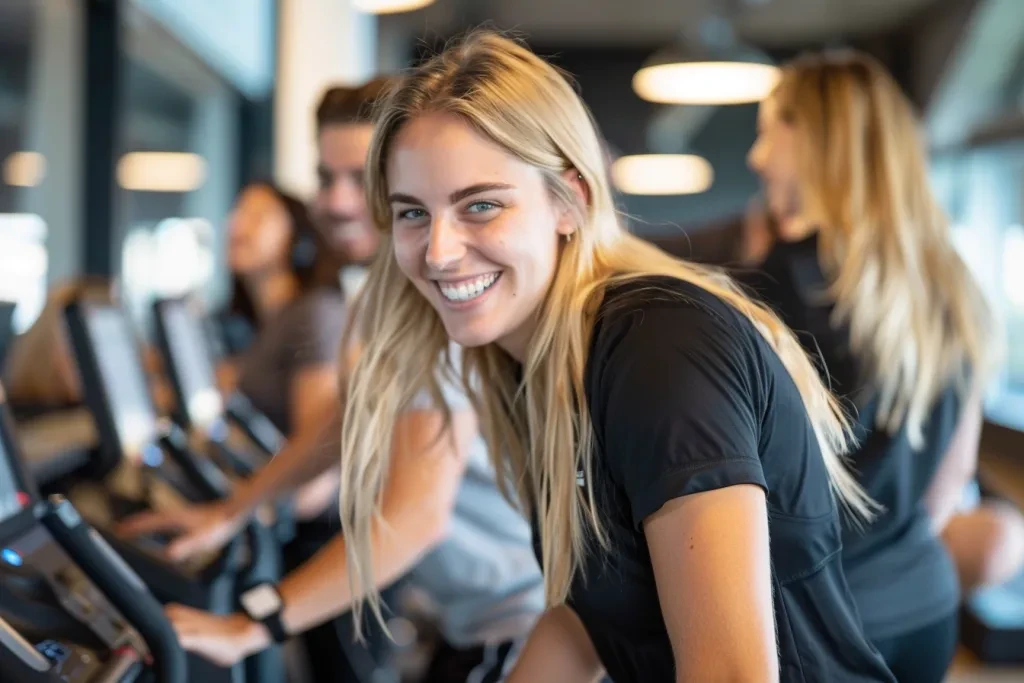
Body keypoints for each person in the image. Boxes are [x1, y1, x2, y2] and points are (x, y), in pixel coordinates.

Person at [336, 31, 895, 683]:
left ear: (569, 200)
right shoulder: (536, 360)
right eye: (412, 213)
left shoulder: (658, 347)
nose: (437, 251)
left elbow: (733, 673)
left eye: (480, 205)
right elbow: (590, 616)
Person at [120, 79, 546, 683]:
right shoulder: (383, 294)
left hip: (522, 629)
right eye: (326, 178)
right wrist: (236, 509)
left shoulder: (438, 298)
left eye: (362, 178)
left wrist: (251, 625)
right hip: (476, 619)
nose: (339, 202)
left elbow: (418, 514)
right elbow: (347, 421)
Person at [743, 50, 1002, 682]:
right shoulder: (954, 286)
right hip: (924, 609)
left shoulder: (771, 290)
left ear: (815, 138)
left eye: (768, 130)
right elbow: (951, 480)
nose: (755, 157)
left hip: (817, 628)